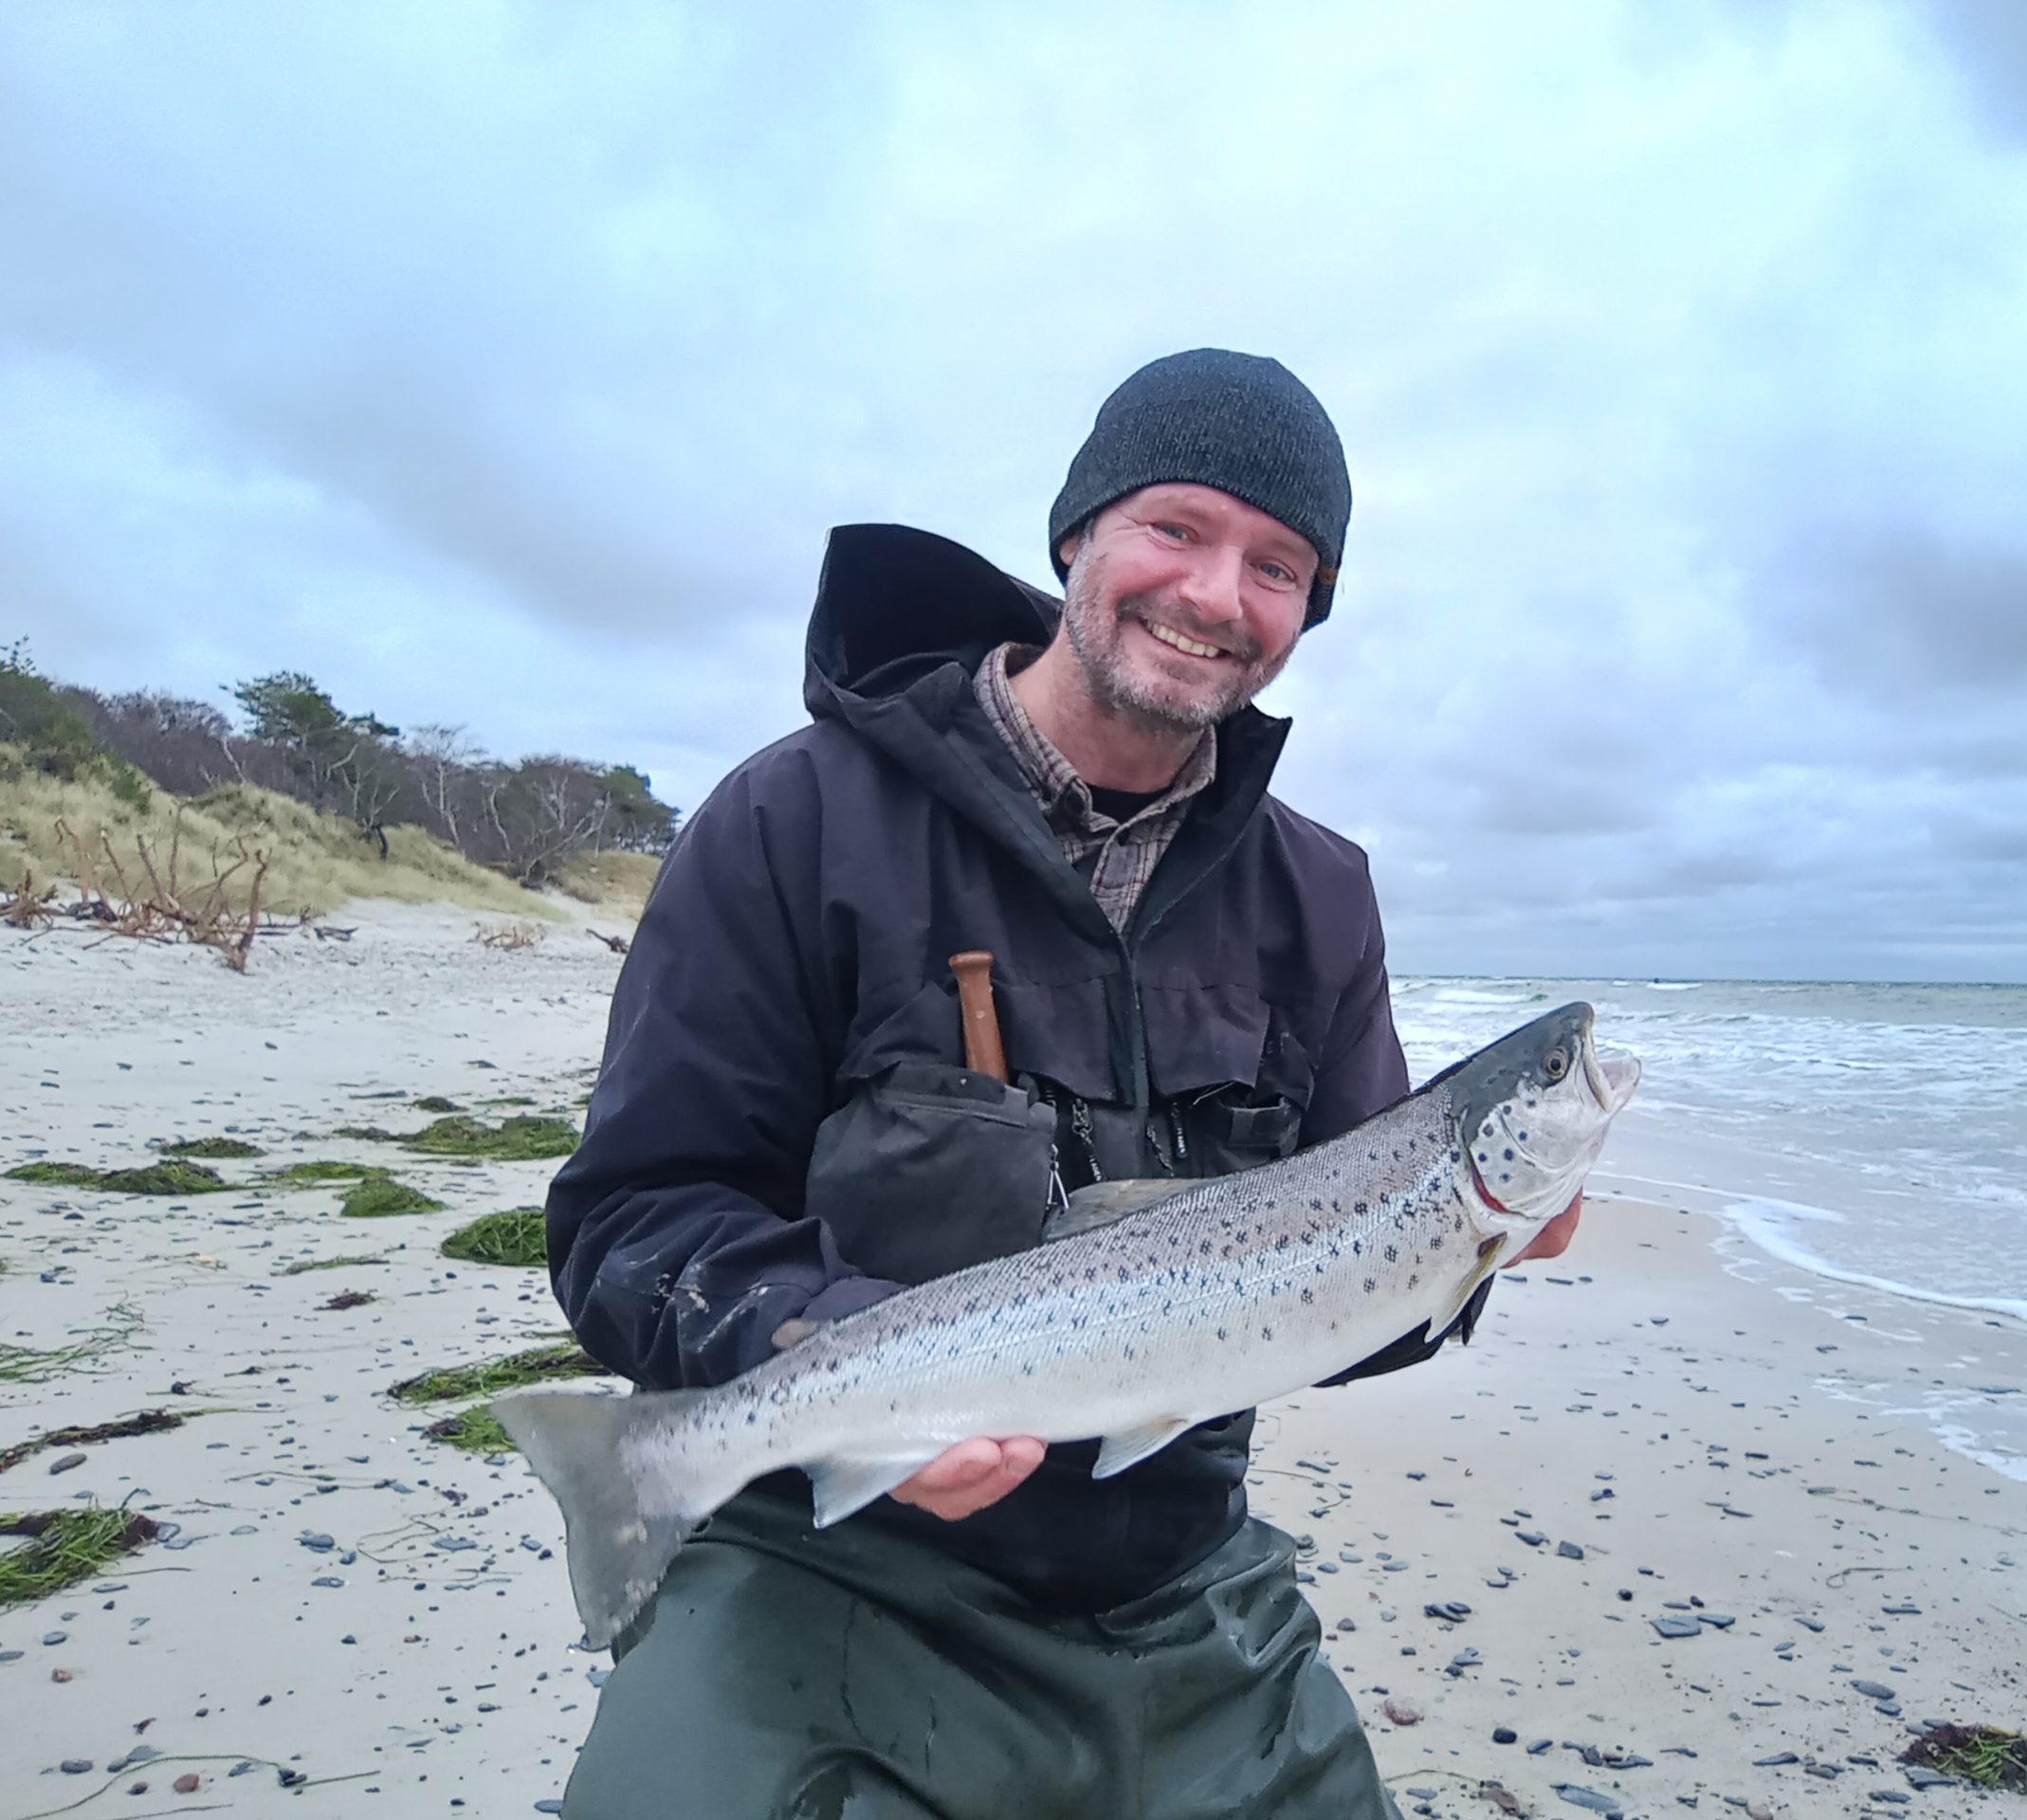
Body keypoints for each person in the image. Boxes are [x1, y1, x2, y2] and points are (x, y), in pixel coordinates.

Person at [543, 349, 1580, 1818]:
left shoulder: (1323, 897)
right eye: (1176, 529)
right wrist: (863, 1377)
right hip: (817, 1550)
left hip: (1179, 1573)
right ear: (1076, 534)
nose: (1220, 596)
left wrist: (1460, 1262)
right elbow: (633, 1218)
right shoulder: (793, 819)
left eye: (1279, 566)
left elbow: (1336, 1307)